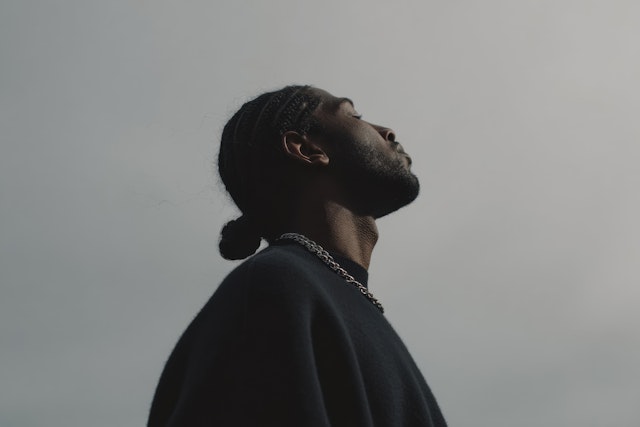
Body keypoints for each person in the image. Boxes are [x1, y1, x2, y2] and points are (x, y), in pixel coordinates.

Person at [148, 85, 447, 426]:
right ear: (306, 149)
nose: (387, 131)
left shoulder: (337, 299)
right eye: (354, 116)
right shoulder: (273, 290)